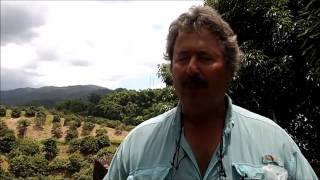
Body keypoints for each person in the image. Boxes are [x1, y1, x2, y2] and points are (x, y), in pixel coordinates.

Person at [104, 5, 317, 180]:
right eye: (183, 57)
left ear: (230, 69)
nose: (191, 68)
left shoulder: (274, 141)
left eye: (204, 57)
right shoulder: (137, 146)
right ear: (171, 69)